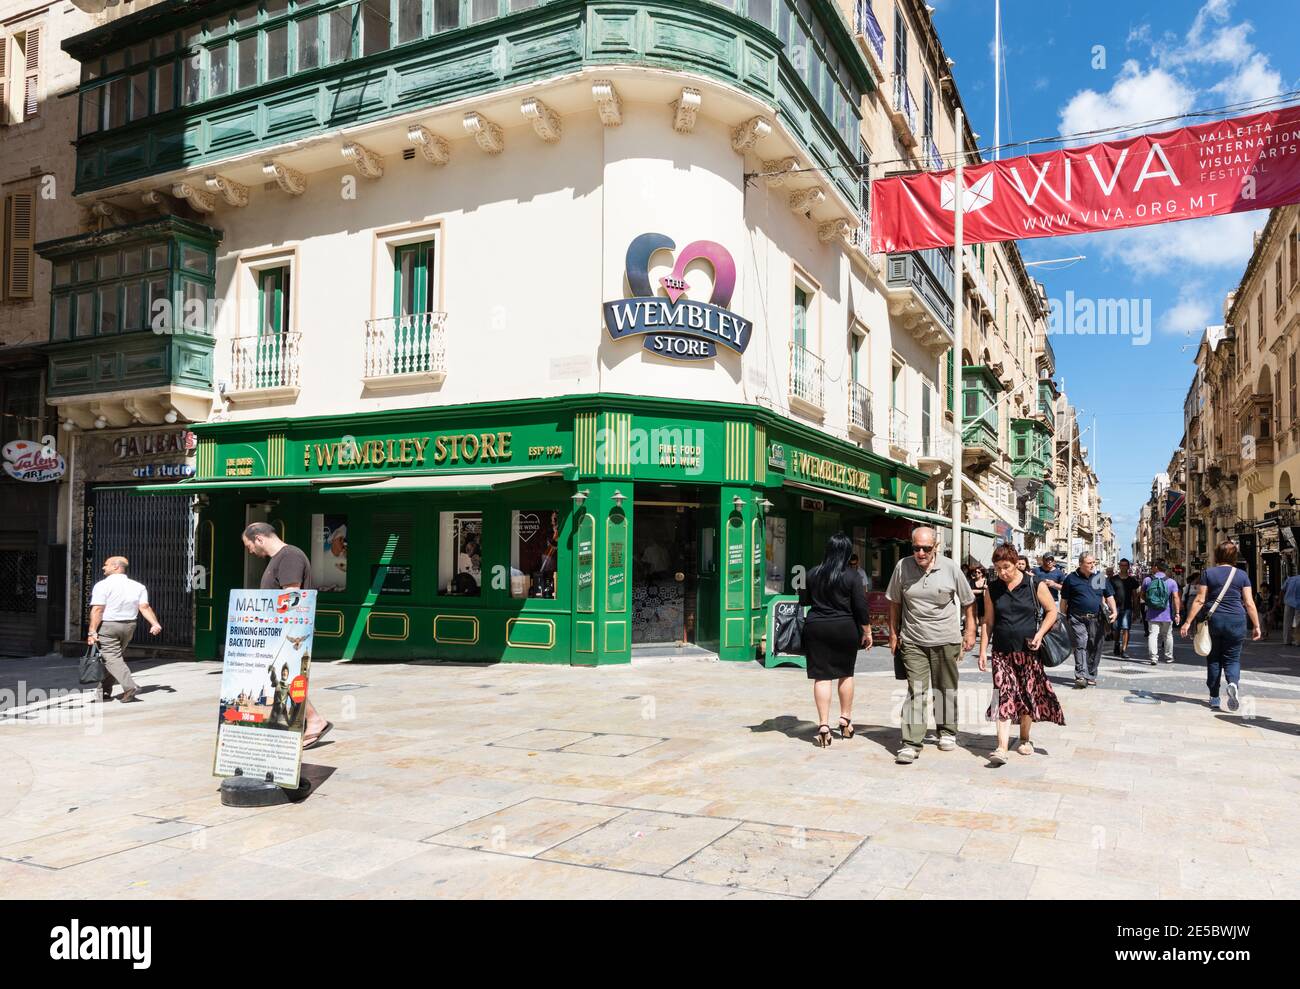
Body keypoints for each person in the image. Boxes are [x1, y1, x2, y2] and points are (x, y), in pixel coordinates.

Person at [886, 526, 977, 764]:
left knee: (945, 688)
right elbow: (895, 602)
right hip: (913, 640)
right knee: (916, 690)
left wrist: (970, 631)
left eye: (926, 548)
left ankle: (946, 732)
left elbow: (968, 601)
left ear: (935, 546)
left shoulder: (950, 568)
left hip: (946, 639)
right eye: (916, 548)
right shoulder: (902, 567)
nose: (921, 553)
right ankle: (910, 742)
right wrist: (893, 634)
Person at [242, 523, 333, 749]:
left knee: (289, 679)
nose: (250, 551)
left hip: (286, 632)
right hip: (278, 631)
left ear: (259, 539)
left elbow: (291, 597)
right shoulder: (279, 559)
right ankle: (304, 721)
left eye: (249, 545)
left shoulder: (289, 557)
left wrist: (275, 629)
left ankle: (314, 720)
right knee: (282, 680)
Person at [978, 544, 1065, 765]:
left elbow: (1052, 611)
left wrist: (1040, 634)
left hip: (1029, 651)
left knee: (1028, 694)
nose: (1002, 573)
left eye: (1006, 567)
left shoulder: (1034, 583)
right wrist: (982, 651)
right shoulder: (993, 588)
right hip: (1002, 652)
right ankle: (1001, 747)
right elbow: (988, 621)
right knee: (1003, 693)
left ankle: (1025, 738)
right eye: (998, 568)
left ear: (1016, 562)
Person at [800, 533, 871, 747]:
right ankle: (845, 719)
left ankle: (823, 724)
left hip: (816, 627)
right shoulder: (852, 576)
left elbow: (803, 600)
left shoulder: (812, 573)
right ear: (847, 552)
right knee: (845, 674)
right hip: (844, 628)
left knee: (821, 677)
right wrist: (867, 631)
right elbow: (860, 606)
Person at [1180, 542, 1261, 712]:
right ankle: (1233, 683)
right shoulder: (1242, 575)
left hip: (1214, 620)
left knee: (1214, 659)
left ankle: (1215, 697)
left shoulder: (1208, 573)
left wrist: (1187, 622)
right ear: (1234, 557)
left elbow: (1200, 599)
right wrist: (1256, 625)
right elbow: (1249, 602)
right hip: (1237, 620)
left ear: (1216, 555)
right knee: (1232, 658)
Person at [87, 556, 163, 703]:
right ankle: (102, 693)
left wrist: (92, 631)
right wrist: (155, 623)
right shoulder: (138, 586)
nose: (103, 568)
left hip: (108, 626)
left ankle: (130, 687)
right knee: (113, 659)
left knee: (112, 658)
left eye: (106, 565)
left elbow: (97, 609)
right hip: (129, 626)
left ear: (116, 566)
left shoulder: (102, 585)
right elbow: (144, 607)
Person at [1059, 553, 1117, 689]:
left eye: (1093, 562)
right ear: (1081, 564)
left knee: (1095, 646)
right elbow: (1064, 600)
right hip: (1076, 617)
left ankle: (1091, 674)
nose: (1092, 565)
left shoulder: (1099, 578)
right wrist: (1063, 616)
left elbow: (1109, 596)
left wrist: (1114, 611)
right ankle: (1080, 675)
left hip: (1097, 618)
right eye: (1089, 563)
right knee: (1081, 643)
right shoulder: (1071, 579)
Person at [1140, 560, 1181, 666]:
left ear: (1156, 567)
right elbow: (1176, 597)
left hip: (1152, 613)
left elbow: (1142, 595)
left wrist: (1150, 603)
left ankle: (1153, 657)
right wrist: (1177, 613)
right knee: (1168, 635)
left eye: (1153, 566)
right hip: (1167, 614)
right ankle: (1168, 656)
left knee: (1153, 635)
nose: (1151, 568)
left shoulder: (1147, 580)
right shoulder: (1171, 582)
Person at [1109, 559, 1141, 659]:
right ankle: (1117, 643)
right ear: (1119, 566)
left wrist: (1136, 611)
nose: (1123, 567)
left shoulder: (1132, 580)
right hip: (1115, 608)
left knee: (1126, 629)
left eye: (1125, 565)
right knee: (1116, 629)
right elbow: (1108, 595)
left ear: (1128, 567)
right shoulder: (1113, 579)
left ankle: (1124, 650)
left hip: (1127, 608)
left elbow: (1135, 596)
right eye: (1121, 565)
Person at [1282, 570, 1300, 647]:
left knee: (1287, 622)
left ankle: (1287, 640)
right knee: (1299, 622)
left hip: (1288, 601)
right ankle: (1298, 641)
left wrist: (1281, 600)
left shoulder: (1290, 579)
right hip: (1299, 603)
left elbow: (1282, 589)